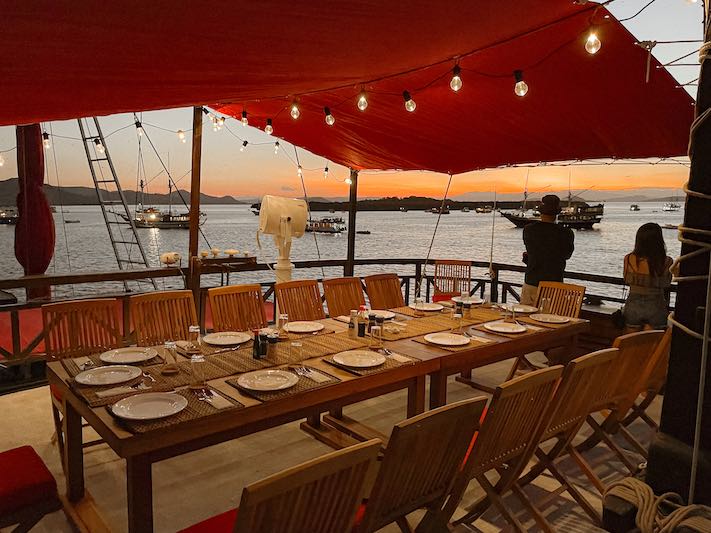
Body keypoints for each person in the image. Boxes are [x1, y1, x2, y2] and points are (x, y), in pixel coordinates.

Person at [520, 195, 575, 306]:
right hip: (555, 283)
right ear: (556, 214)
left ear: (541, 212)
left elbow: (531, 250)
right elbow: (567, 255)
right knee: (552, 315)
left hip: (532, 280)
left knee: (525, 314)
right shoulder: (566, 233)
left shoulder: (529, 230)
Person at [623, 222, 673, 329]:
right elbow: (667, 283)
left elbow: (626, 279)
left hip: (633, 304)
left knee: (631, 338)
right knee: (655, 337)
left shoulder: (629, 259)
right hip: (656, 306)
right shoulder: (667, 261)